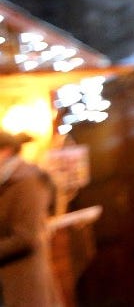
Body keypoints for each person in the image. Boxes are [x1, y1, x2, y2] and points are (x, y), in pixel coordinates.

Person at [0, 130, 63, 307]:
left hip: (24, 286)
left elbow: (26, 237)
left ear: (5, 151)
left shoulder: (27, 182)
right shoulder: (6, 183)